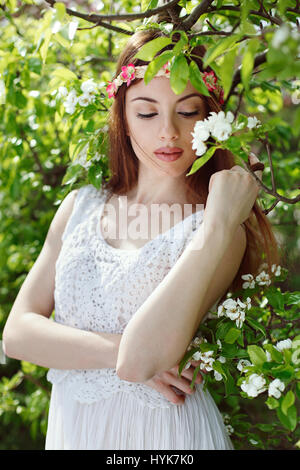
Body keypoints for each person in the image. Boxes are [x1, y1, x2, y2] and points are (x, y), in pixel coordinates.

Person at [3, 29, 279, 450]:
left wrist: (221, 223)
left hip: (163, 436)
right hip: (76, 430)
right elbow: (18, 334)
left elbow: (139, 363)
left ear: (208, 120)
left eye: (187, 112)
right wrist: (120, 349)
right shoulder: (81, 205)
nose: (167, 132)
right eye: (147, 113)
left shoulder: (216, 228)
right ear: (123, 117)